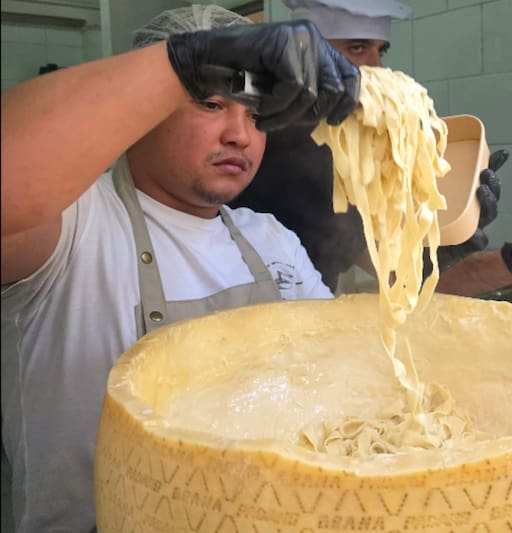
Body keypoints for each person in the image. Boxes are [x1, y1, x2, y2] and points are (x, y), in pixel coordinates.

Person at [0, 5, 359, 531]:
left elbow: (346, 366)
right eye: (210, 102)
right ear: (141, 111)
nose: (240, 135)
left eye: (255, 115)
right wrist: (180, 63)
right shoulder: (74, 226)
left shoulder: (269, 237)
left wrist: (453, 253)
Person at [231, 0, 512, 297]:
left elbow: (403, 281)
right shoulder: (244, 138)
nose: (376, 68)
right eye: (356, 48)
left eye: (380, 51)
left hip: (305, 341)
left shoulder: (352, 161)